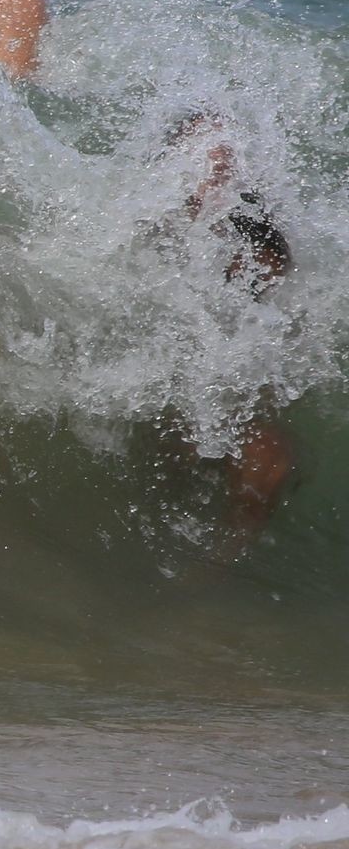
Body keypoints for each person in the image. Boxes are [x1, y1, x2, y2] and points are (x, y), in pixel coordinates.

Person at [166, 111, 295, 535]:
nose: (218, 167)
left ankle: (221, 558)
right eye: (206, 154)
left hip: (231, 391)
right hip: (170, 383)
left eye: (228, 156)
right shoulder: (153, 219)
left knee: (265, 450)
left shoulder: (257, 234)